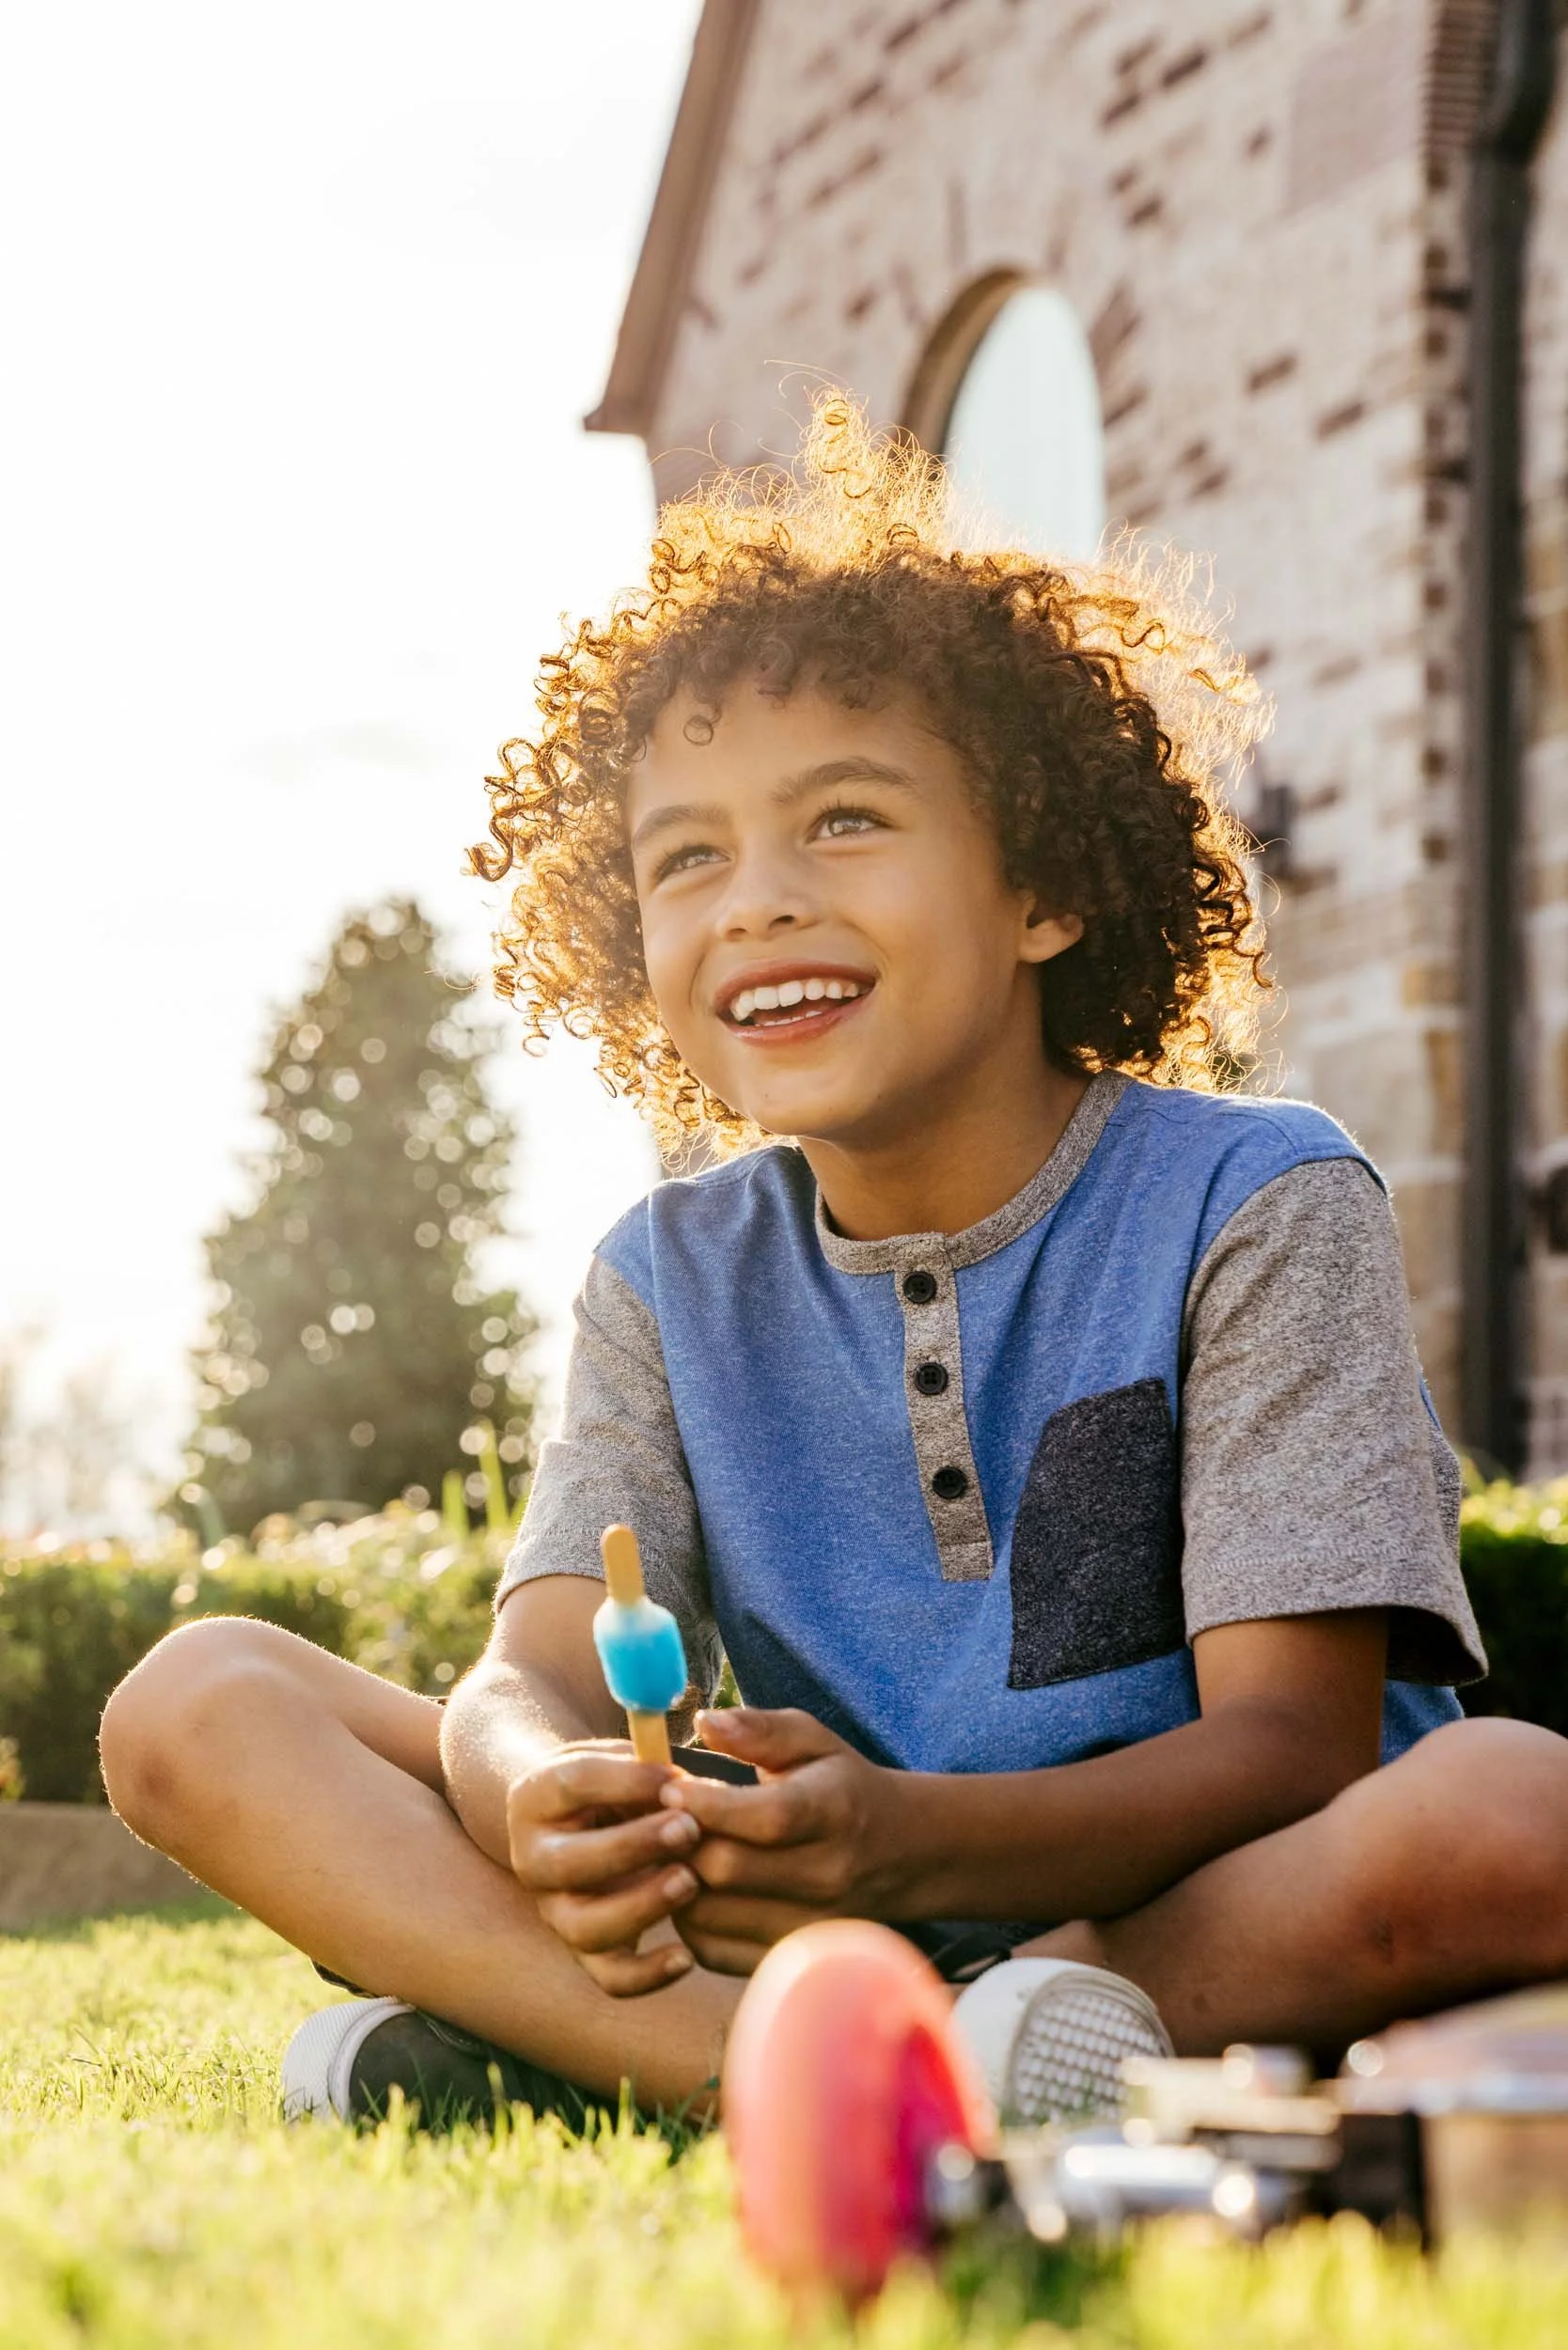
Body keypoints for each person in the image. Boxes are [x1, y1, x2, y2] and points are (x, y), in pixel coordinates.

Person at [101, 395, 1568, 2132]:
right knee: (196, 1704)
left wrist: (900, 1835)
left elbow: (1291, 1750)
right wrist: (531, 1798)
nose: (757, 902)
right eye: (687, 858)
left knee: (1512, 1811)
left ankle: (661, 2058)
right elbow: (535, 1672)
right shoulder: (663, 1276)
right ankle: (820, 2066)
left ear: (1044, 888)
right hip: (803, 1909)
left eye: (847, 821)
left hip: (1187, 1904)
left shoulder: (1255, 1198)